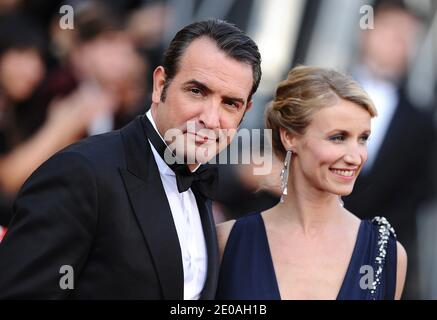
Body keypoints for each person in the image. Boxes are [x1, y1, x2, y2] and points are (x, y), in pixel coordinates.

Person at [0, 19, 261, 299]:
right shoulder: (82, 172)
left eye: (229, 104)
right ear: (160, 85)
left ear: (245, 111)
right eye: (197, 91)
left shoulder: (201, 184)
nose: (210, 119)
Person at [216, 66, 407, 300]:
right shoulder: (227, 241)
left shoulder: (386, 254)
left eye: (363, 139)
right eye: (338, 137)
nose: (355, 157)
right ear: (290, 137)